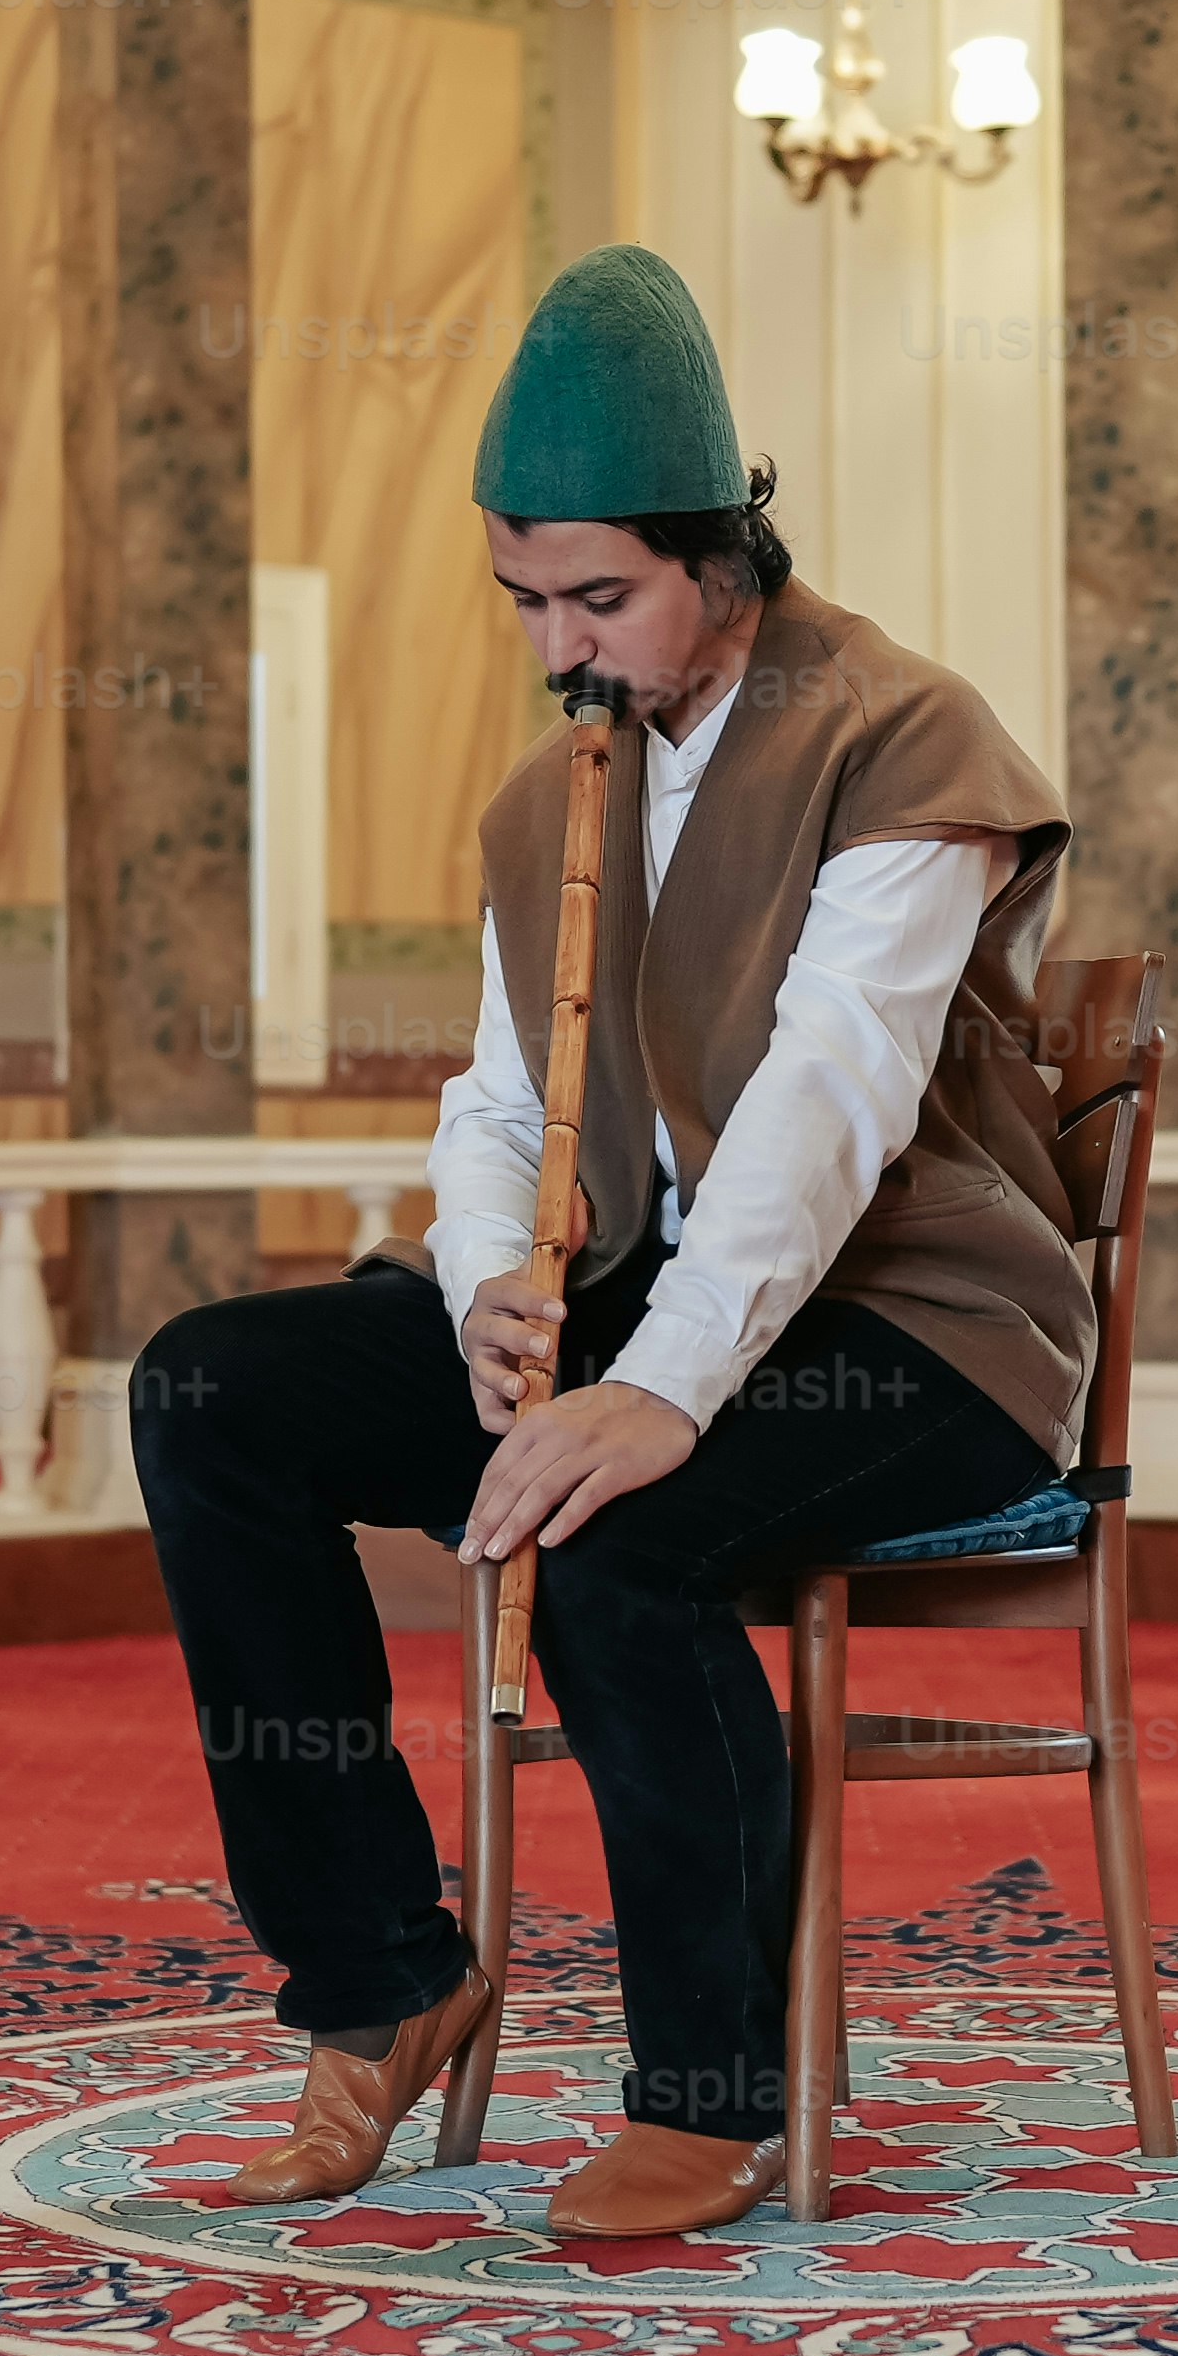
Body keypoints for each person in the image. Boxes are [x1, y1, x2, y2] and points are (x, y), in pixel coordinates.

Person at [125, 242, 1093, 2244]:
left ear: (723, 552)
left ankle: (709, 2089)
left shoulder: (900, 736)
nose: (563, 643)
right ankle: (386, 1977)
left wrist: (652, 1390)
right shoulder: (545, 792)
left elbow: (830, 1097)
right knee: (215, 1387)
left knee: (615, 1525)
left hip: (921, 1324)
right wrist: (493, 1275)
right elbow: (499, 1093)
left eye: (601, 596)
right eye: (528, 602)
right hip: (645, 1284)